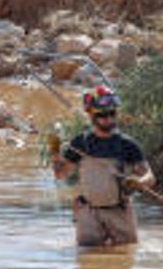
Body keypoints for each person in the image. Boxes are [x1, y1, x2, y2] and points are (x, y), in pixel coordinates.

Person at [52, 85, 156, 246]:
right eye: (102, 115)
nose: (108, 118)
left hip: (119, 211)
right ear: (91, 116)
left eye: (112, 113)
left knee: (125, 255)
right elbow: (61, 175)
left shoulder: (127, 144)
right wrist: (55, 154)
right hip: (88, 213)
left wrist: (140, 182)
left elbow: (150, 178)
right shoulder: (80, 143)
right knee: (87, 259)